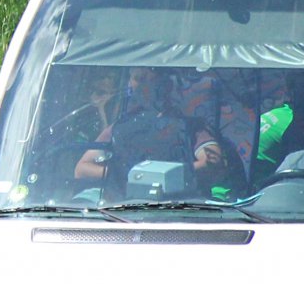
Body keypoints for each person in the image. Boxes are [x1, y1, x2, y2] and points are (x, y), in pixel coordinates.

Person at [75, 67, 234, 196]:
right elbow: (82, 169)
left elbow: (213, 163)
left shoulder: (190, 128)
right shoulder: (119, 128)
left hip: (173, 209)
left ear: (165, 85)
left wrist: (164, 177)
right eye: (134, 78)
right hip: (121, 209)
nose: (133, 86)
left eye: (142, 79)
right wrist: (128, 175)